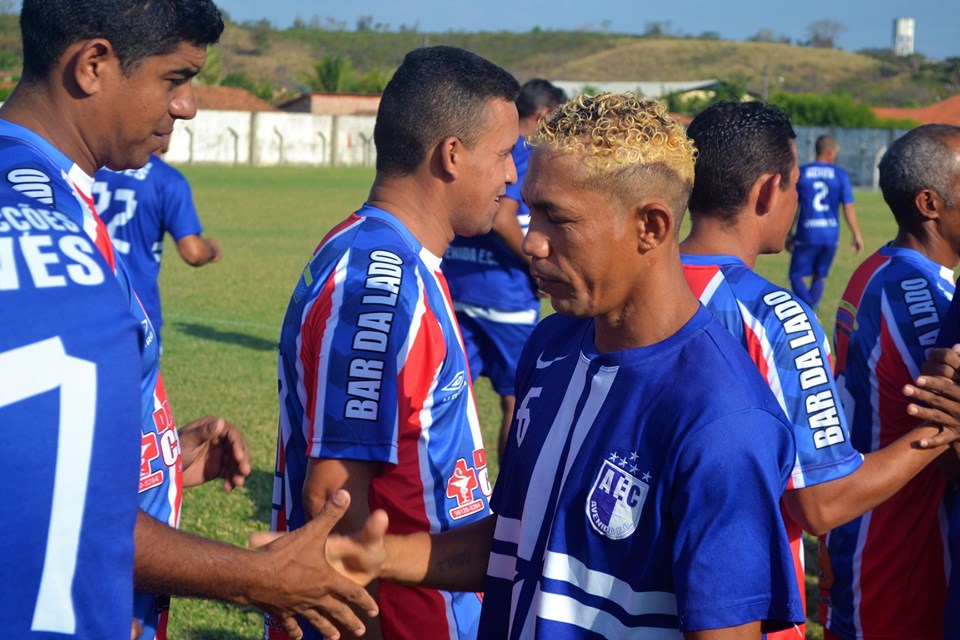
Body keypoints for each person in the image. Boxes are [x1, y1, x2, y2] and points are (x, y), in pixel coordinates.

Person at [326, 92, 805, 639]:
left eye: (558, 220)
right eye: (531, 212)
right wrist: (376, 557)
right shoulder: (552, 345)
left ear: (651, 226)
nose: (530, 242)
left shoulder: (724, 420)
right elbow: (518, 536)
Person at [0, 2, 377, 639]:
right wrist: (256, 577)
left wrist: (159, 460)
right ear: (93, 65)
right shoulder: (35, 226)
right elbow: (47, 509)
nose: (188, 106)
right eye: (176, 78)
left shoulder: (53, 192)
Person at [679, 102, 958, 640]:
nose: (800, 200)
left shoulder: (643, 287)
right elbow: (820, 502)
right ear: (768, 191)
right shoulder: (776, 315)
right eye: (794, 185)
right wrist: (945, 425)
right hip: (763, 599)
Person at [271, 46, 519, 640]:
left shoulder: (391, 257)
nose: (513, 176)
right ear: (451, 156)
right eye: (505, 155)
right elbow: (335, 498)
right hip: (407, 619)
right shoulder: (380, 285)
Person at [818, 124, 960, 640]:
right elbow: (949, 444)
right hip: (899, 544)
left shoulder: (881, 267)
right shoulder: (917, 297)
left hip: (871, 529)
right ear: (930, 203)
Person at [0, 190, 142, 638]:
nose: (184, 113)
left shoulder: (59, 213)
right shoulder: (43, 212)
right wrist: (255, 576)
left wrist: (168, 456)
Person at [443, 78, 566, 458]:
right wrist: (536, 264)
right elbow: (503, 218)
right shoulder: (526, 151)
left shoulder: (481, 144)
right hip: (505, 298)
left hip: (458, 285)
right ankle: (506, 506)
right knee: (516, 400)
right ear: (544, 114)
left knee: (450, 399)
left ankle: (450, 489)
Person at [94, 139, 221, 345]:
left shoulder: (92, 171)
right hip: (136, 306)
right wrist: (212, 249)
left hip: (85, 298)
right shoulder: (167, 179)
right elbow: (193, 253)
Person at [788, 134, 864, 310]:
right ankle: (812, 309)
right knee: (819, 275)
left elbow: (793, 206)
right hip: (830, 234)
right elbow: (848, 207)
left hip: (807, 232)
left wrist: (788, 232)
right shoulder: (840, 175)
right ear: (830, 152)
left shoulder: (802, 173)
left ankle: (809, 309)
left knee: (796, 275)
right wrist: (856, 234)